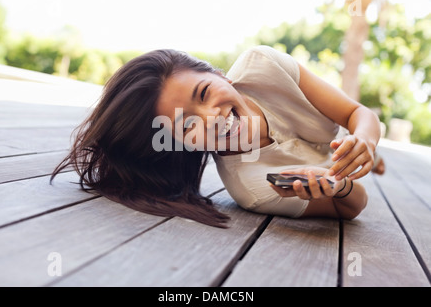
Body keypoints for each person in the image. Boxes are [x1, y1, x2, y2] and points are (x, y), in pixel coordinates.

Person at [51, 45, 383, 228]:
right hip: (333, 160)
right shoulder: (252, 187)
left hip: (342, 134)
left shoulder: (264, 66)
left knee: (368, 151)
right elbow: (353, 208)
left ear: (220, 74)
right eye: (187, 126)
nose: (211, 118)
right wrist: (339, 186)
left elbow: (357, 114)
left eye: (205, 92)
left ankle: (375, 158)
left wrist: (365, 141)